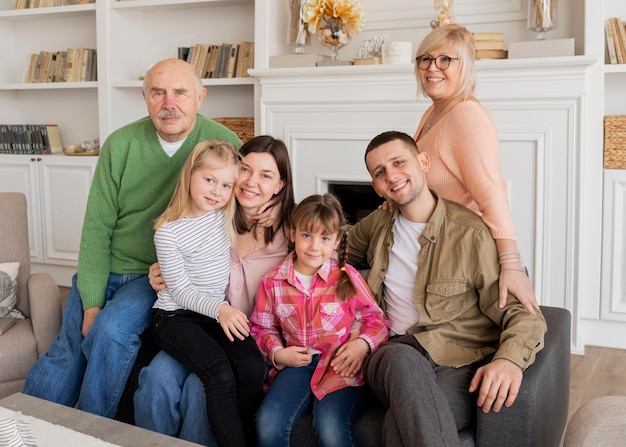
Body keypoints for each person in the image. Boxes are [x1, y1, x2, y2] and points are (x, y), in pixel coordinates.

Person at [23, 58, 242, 419]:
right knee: (69, 346)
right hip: (107, 264)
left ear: (200, 97)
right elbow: (97, 226)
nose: (169, 103)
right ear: (145, 97)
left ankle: (93, 433)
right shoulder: (120, 143)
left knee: (109, 332)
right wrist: (92, 300)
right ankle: (22, 428)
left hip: (152, 275)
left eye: (180, 93)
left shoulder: (224, 145)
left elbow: (245, 211)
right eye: (158, 92)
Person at [350, 130, 547, 446]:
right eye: (380, 172)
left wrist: (509, 359)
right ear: (376, 187)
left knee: (401, 426)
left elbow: (524, 314)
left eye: (399, 162)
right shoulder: (375, 226)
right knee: (402, 362)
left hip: (457, 362)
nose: (392, 176)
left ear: (423, 161)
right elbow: (328, 248)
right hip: (392, 352)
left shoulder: (470, 234)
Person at [133, 135, 296, 446]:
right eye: (246, 170)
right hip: (191, 316)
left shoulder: (292, 228)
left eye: (266, 175)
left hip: (227, 322)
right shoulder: (223, 215)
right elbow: (180, 273)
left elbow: (330, 234)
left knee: (232, 373)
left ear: (280, 185)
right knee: (158, 379)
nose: (250, 182)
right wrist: (160, 271)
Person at [411, 24, 537, 313]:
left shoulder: (465, 115)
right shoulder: (433, 112)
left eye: (445, 59)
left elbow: (491, 192)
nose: (433, 68)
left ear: (465, 66)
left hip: (465, 254)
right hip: (437, 247)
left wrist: (512, 264)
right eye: (425, 59)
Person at [251, 193, 389, 447]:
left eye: (324, 238)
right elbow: (261, 327)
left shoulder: (346, 277)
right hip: (297, 365)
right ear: (292, 233)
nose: (314, 246)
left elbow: (377, 320)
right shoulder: (273, 282)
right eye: (306, 235)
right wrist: (279, 354)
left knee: (330, 426)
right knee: (268, 422)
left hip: (341, 366)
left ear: (336, 240)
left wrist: (363, 345)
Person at [150, 139, 262, 447]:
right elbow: (182, 292)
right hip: (176, 317)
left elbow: (263, 198)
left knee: (253, 367)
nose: (217, 191)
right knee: (218, 372)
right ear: (190, 176)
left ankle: (238, 434)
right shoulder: (168, 232)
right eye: (209, 180)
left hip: (214, 312)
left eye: (226, 185)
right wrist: (221, 310)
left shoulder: (222, 215)